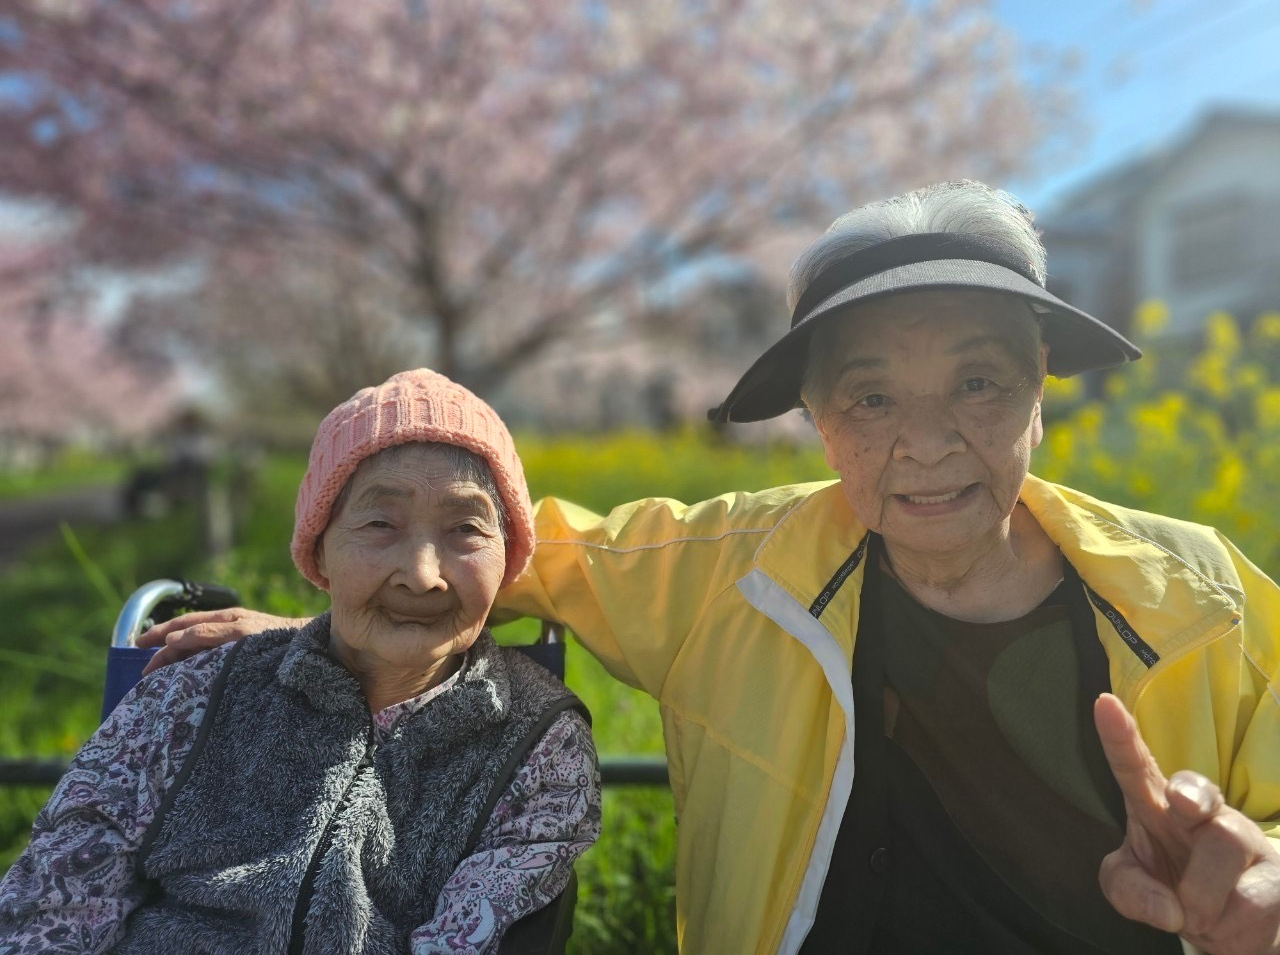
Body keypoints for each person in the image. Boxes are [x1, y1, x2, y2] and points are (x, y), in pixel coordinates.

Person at [126, 182, 1280, 955]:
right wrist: (314, 623)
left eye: (976, 384)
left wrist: (1258, 891)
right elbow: (497, 554)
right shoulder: (719, 570)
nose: (924, 446)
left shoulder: (1204, 599)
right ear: (816, 419)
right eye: (870, 397)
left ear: (1040, 380)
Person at [0, 369, 601, 955]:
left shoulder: (539, 744)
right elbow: (54, 906)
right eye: (379, 523)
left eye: (466, 528)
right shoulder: (190, 692)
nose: (422, 574)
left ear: (509, 559)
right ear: (319, 549)